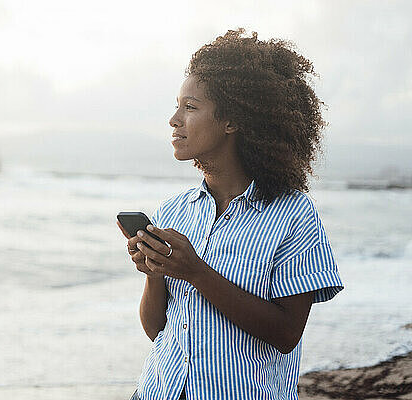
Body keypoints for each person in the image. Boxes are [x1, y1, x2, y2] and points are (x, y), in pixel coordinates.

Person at [117, 28, 344, 400]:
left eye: (190, 107)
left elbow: (287, 333)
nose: (174, 119)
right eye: (177, 106)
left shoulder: (292, 214)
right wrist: (156, 272)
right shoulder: (175, 210)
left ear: (232, 121)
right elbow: (157, 329)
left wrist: (195, 271)